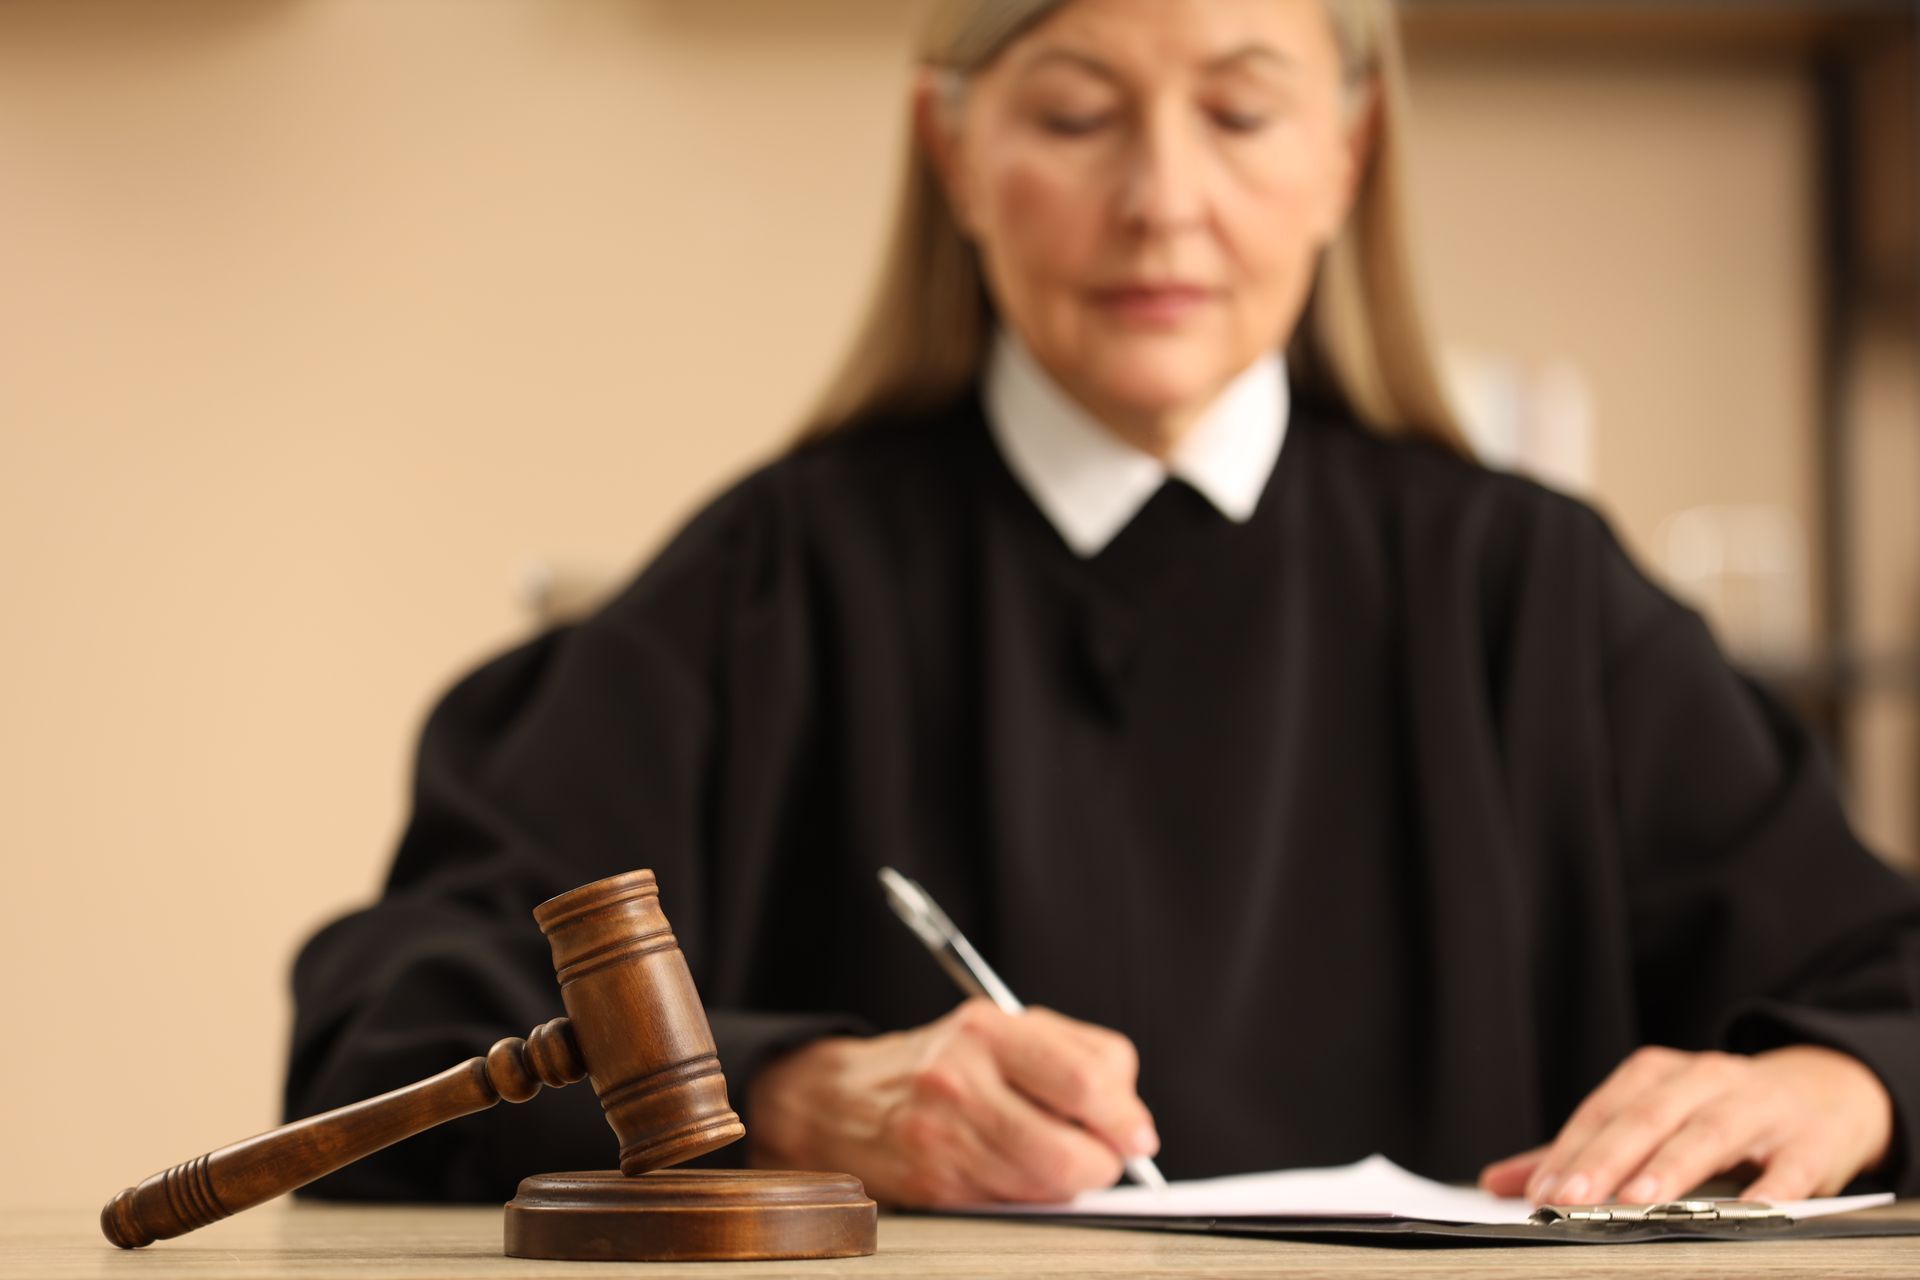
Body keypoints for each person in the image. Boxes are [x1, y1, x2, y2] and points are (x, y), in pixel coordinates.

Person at [285, 0, 1920, 1210]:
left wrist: (1836, 1084)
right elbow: (389, 1039)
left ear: (1347, 151)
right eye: (1074, 115)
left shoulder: (1533, 596)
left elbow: (1886, 979)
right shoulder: (763, 589)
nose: (1161, 199)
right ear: (954, 150)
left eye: (1242, 112)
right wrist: (792, 1091)